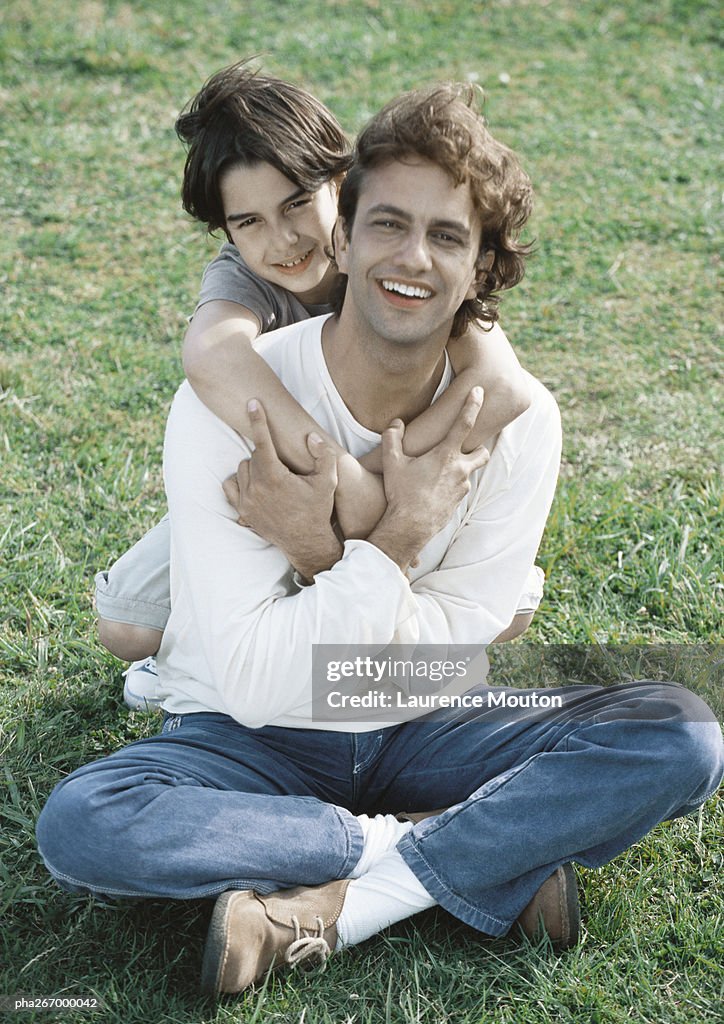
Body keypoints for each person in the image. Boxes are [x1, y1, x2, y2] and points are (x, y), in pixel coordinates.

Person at [37, 84, 723, 1000]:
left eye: (446, 237)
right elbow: (251, 677)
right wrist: (397, 543)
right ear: (348, 236)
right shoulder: (234, 397)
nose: (411, 258)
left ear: (480, 268)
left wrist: (330, 557)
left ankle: (338, 904)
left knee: (682, 730)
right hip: (246, 733)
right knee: (87, 820)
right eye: (389, 225)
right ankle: (462, 844)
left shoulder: (518, 415)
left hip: (423, 720)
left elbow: (455, 649)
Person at [94, 60, 536, 709]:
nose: (284, 240)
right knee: (127, 627)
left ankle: (377, 636)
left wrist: (381, 483)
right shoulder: (247, 282)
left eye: (299, 203)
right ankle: (196, 656)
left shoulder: (390, 251)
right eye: (249, 222)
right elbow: (212, 353)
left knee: (509, 614)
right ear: (227, 230)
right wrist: (339, 476)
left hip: (400, 472)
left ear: (344, 183)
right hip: (274, 478)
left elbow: (503, 386)